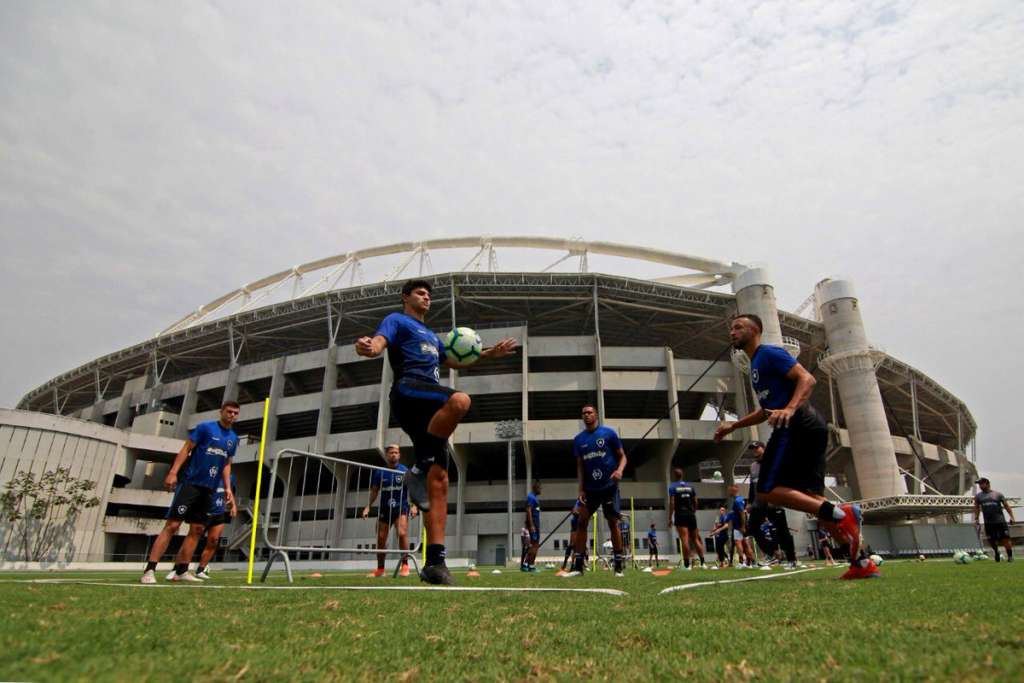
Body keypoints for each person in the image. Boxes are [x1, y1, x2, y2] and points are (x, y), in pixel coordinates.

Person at [355, 279, 517, 585]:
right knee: (460, 400)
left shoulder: (432, 335)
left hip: (431, 410)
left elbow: (455, 359)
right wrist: (368, 347)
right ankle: (417, 469)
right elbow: (378, 343)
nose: (427, 296)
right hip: (408, 391)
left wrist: (489, 354)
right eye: (420, 292)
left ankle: (435, 563)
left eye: (429, 294)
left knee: (440, 481)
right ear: (406, 298)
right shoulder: (397, 320)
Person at [714, 314, 877, 580]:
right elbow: (766, 410)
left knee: (766, 490)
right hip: (805, 426)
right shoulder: (755, 364)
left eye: (738, 327)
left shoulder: (768, 354)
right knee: (814, 501)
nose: (732, 332)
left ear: (755, 330)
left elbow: (807, 379)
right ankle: (861, 562)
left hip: (797, 423)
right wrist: (733, 426)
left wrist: (789, 409)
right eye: (731, 328)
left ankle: (839, 513)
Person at [141, 401, 239, 584]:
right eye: (229, 412)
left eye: (235, 413)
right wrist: (173, 472)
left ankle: (182, 570)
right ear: (221, 411)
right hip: (191, 483)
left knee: (197, 528)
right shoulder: (205, 428)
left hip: (209, 488)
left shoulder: (233, 438)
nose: (232, 415)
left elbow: (226, 463)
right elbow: (186, 449)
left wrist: (227, 488)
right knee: (173, 525)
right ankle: (150, 569)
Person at [564, 405, 628, 578]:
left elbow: (623, 456)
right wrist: (580, 489)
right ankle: (578, 567)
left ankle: (619, 566)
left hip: (609, 487)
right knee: (581, 522)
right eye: (584, 413)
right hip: (590, 490)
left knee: (612, 522)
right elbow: (580, 466)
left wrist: (619, 470)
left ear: (596, 415)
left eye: (590, 412)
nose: (587, 415)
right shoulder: (579, 439)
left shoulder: (609, 433)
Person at [361, 444, 418, 578]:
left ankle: (405, 565)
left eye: (396, 452)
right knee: (381, 539)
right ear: (387, 455)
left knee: (402, 533)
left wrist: (414, 505)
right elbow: (375, 490)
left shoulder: (405, 471)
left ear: (399, 455)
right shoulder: (380, 472)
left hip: (401, 508)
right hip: (384, 510)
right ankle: (380, 569)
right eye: (391, 452)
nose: (394, 454)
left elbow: (413, 489)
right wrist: (368, 506)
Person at [746, 441, 800, 570]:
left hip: (774, 502)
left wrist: (778, 498)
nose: (755, 451)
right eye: (753, 449)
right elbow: (753, 486)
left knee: (782, 531)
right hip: (759, 503)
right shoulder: (753, 466)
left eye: (757, 448)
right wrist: (749, 502)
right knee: (752, 528)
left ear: (764, 449)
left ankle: (792, 559)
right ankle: (773, 553)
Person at [194, 474, 238, 581]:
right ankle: (178, 568)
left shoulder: (230, 477)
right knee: (193, 539)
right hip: (203, 512)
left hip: (219, 512)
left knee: (214, 541)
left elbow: (229, 492)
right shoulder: (209, 473)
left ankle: (201, 570)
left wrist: (233, 505)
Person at [668, 468, 706, 570]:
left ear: (674, 476)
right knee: (695, 539)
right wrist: (693, 511)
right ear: (682, 475)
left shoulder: (672, 487)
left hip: (680, 514)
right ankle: (703, 563)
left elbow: (672, 503)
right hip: (691, 515)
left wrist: (670, 517)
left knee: (684, 539)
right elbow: (696, 501)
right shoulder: (690, 486)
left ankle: (686, 565)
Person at [974, 478, 1016, 562]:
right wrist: (977, 518)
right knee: (991, 540)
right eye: (979, 484)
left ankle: (1010, 556)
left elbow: (1006, 506)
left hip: (1000, 521)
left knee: (1005, 539)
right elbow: (976, 508)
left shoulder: (998, 494)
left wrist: (1012, 517)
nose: (980, 486)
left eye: (981, 483)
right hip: (989, 522)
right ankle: (996, 552)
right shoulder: (978, 496)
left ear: (987, 483)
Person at [726, 484, 755, 569]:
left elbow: (742, 513)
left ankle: (742, 562)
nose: (729, 492)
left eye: (730, 490)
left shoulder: (737, 501)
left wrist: (742, 526)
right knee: (746, 544)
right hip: (743, 525)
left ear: (735, 489)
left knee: (738, 543)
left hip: (739, 526)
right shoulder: (741, 499)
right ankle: (751, 563)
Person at [522, 481, 542, 572]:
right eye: (540, 488)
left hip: (535, 525)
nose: (541, 490)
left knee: (534, 545)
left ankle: (527, 564)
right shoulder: (531, 497)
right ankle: (530, 565)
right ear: (536, 488)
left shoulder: (534, 498)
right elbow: (528, 511)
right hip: (533, 526)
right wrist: (532, 525)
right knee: (534, 545)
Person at [562, 502, 582, 572]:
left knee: (576, 546)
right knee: (573, 545)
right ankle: (565, 563)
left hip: (579, 524)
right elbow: (574, 511)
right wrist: (580, 514)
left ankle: (572, 565)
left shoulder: (586, 501)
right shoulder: (579, 501)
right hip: (575, 524)